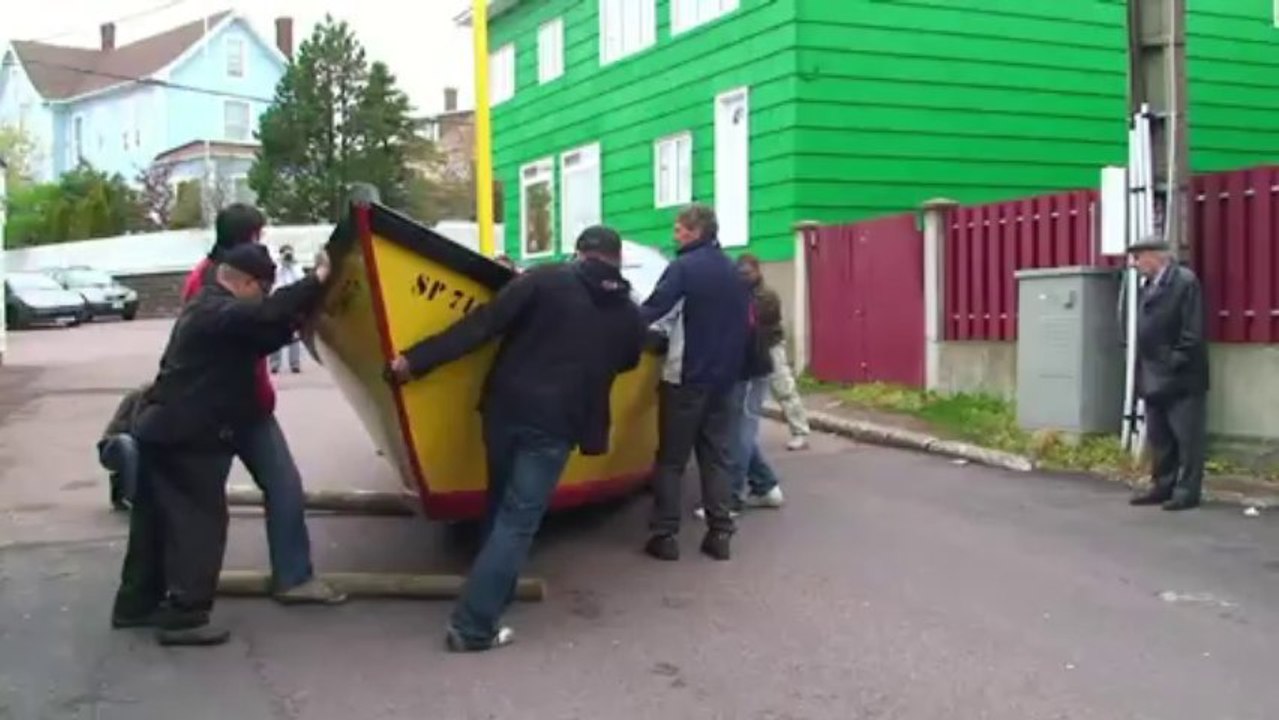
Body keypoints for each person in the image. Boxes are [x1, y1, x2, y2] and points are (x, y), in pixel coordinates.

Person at [387, 226, 644, 653]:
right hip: (558, 423)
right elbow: (628, 359)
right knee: (518, 520)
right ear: (616, 259)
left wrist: (416, 360)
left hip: (506, 409)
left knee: (500, 504)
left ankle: (485, 598)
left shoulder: (545, 279)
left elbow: (483, 325)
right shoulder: (628, 313)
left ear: (581, 252)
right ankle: (474, 624)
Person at [111, 244, 332, 646]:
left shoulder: (209, 308)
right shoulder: (215, 309)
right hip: (188, 435)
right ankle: (186, 616)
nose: (264, 296)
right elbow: (262, 316)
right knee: (198, 524)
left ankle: (137, 605)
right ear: (245, 282)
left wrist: (295, 319)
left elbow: (258, 334)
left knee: (156, 524)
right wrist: (315, 280)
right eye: (261, 288)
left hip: (166, 430)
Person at [181, 204, 345, 605]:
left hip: (234, 403)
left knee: (279, 486)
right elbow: (264, 317)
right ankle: (187, 590)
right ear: (251, 236)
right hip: (223, 408)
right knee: (225, 495)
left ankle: (288, 576)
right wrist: (315, 283)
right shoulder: (221, 286)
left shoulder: (202, 276)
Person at [640, 204, 751, 563]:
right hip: (725, 379)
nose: (675, 235)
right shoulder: (734, 272)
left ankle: (665, 535)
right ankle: (720, 533)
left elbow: (653, 310)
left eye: (679, 229)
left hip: (685, 377)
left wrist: (615, 327)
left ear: (695, 231)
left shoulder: (683, 269)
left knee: (672, 460)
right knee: (715, 457)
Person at [1127, 236, 1209, 512]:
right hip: (1152, 373)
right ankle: (1163, 485)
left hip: (1180, 375)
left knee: (1186, 436)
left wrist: (1175, 359)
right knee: (1160, 435)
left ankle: (1187, 491)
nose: (1135, 264)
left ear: (1154, 256)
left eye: (1138, 258)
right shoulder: (1148, 285)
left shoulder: (1184, 282)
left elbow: (1192, 329)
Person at [736, 254, 812, 452]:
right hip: (749, 348)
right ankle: (744, 436)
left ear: (757, 271)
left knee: (783, 388)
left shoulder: (767, 295)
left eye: (747, 273)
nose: (744, 277)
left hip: (770, 346)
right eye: (740, 273)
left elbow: (758, 321)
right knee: (745, 395)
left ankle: (800, 432)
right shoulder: (739, 293)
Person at [97, 383, 150, 512]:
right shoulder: (139, 397)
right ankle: (132, 497)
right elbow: (134, 431)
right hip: (115, 448)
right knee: (126, 443)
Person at [270, 244, 305, 375]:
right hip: (278, 301)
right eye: (285, 253)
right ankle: (274, 364)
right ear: (281, 254)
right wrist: (282, 265)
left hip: (293, 302)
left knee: (294, 335)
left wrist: (291, 266)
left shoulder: (296, 266)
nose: (288, 256)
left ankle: (295, 364)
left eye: (289, 253)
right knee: (274, 334)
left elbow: (300, 280)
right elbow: (274, 279)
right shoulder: (276, 266)